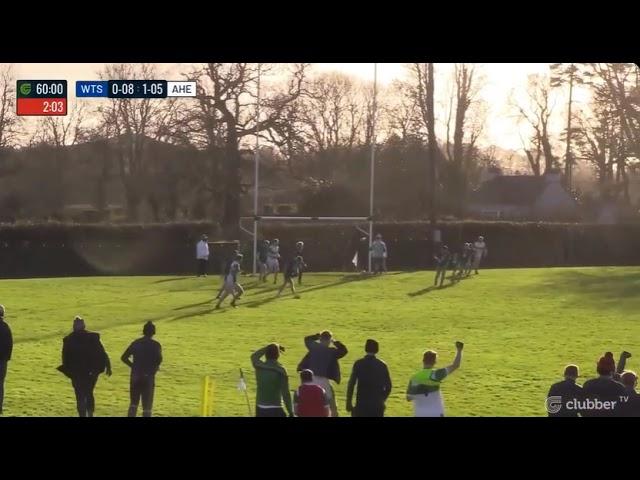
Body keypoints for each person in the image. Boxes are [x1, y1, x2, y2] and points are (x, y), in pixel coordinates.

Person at [59, 316, 112, 417]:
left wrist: (69, 372)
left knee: (80, 396)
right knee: (88, 393)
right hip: (91, 372)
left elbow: (65, 358)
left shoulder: (69, 340)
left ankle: (83, 415)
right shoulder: (92, 337)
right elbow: (102, 353)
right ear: (83, 326)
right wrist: (107, 366)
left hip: (77, 373)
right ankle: (90, 414)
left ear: (74, 326)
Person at [406, 341, 464, 417]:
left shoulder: (414, 377)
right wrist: (459, 350)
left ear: (423, 360)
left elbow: (408, 398)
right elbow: (455, 365)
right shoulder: (436, 374)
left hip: (420, 413)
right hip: (436, 412)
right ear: (435, 362)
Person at [298, 331, 348, 417]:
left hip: (310, 378)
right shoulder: (331, 352)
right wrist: (335, 342)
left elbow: (307, 339)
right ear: (329, 341)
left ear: (320, 339)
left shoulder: (314, 347)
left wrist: (317, 336)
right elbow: (344, 351)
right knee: (332, 404)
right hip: (323, 380)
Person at [121, 321, 163, 417]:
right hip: (148, 377)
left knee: (133, 404)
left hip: (136, 376)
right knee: (147, 407)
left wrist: (133, 366)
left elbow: (123, 357)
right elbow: (159, 360)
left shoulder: (136, 343)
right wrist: (154, 369)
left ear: (143, 331)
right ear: (153, 332)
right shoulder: (156, 345)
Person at [346, 339, 392, 417]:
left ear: (365, 348)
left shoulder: (359, 363)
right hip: (377, 406)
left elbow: (351, 384)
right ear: (377, 350)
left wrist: (349, 402)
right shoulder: (382, 365)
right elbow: (388, 386)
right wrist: (381, 400)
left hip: (361, 404)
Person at [250, 343, 293, 417]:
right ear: (278, 355)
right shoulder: (281, 370)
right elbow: (286, 393)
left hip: (260, 407)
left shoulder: (259, 366)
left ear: (266, 354)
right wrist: (291, 412)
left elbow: (254, 356)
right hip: (276, 407)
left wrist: (269, 347)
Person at [582, 352, 627, 417]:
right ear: (613, 368)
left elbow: (583, 407)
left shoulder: (588, 384)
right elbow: (623, 409)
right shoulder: (619, 387)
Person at [0, 305, 12, 415]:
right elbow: (9, 344)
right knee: (0, 384)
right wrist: (7, 358)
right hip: (2, 361)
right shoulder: (6, 327)